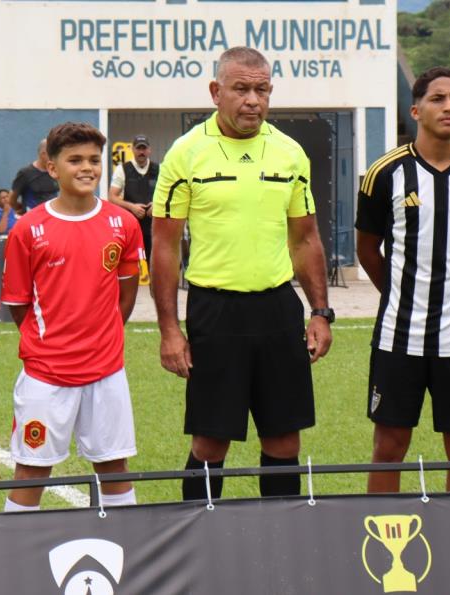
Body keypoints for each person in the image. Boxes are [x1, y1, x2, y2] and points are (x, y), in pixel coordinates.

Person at [151, 46, 333, 501]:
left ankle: (283, 540)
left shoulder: (290, 152)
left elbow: (306, 238)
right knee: (211, 441)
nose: (253, 100)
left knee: (284, 439)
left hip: (277, 309)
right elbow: (165, 246)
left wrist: (320, 312)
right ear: (216, 92)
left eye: (262, 90)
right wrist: (171, 330)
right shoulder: (186, 153)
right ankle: (198, 542)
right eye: (241, 89)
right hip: (216, 311)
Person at [357, 67, 450, 493]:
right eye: (438, 99)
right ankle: (380, 543)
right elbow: (368, 250)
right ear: (416, 110)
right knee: (389, 446)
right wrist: (401, 293)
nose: (449, 107)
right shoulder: (383, 175)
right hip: (398, 335)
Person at [0, 122, 143, 512]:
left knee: (114, 468)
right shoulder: (28, 230)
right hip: (46, 375)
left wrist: (101, 337)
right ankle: (15, 564)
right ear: (52, 168)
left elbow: (125, 296)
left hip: (107, 371)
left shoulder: (124, 223)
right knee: (31, 470)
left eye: (94, 160)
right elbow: (17, 304)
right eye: (74, 159)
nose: (87, 168)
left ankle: (124, 560)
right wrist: (52, 342)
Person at [109, 134, 159, 261]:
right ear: (133, 149)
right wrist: (132, 207)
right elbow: (112, 197)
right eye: (138, 148)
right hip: (130, 225)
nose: (141, 152)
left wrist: (157, 205)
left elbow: (169, 194)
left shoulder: (159, 169)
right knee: (129, 263)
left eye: (144, 148)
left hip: (153, 227)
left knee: (155, 264)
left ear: (149, 150)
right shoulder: (123, 169)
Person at [9, 139, 59, 212]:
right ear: (43, 154)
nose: (55, 157)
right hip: (33, 218)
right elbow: (12, 199)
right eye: (53, 154)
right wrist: (22, 209)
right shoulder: (25, 173)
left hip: (52, 216)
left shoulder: (56, 170)